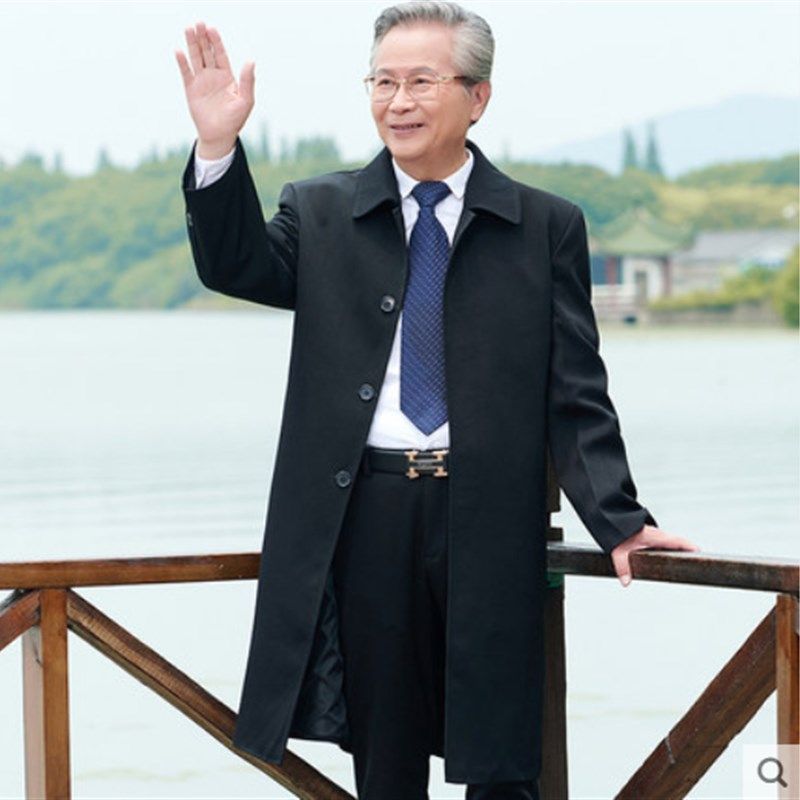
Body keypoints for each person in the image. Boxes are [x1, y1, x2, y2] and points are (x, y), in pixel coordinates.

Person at [176, 3, 700, 798]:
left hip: (490, 516)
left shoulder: (543, 225)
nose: (399, 102)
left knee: (500, 756)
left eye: (422, 81)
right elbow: (236, 265)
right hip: (369, 514)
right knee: (384, 757)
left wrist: (619, 521)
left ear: (477, 96)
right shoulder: (321, 212)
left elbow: (575, 391)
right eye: (382, 82)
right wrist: (217, 145)